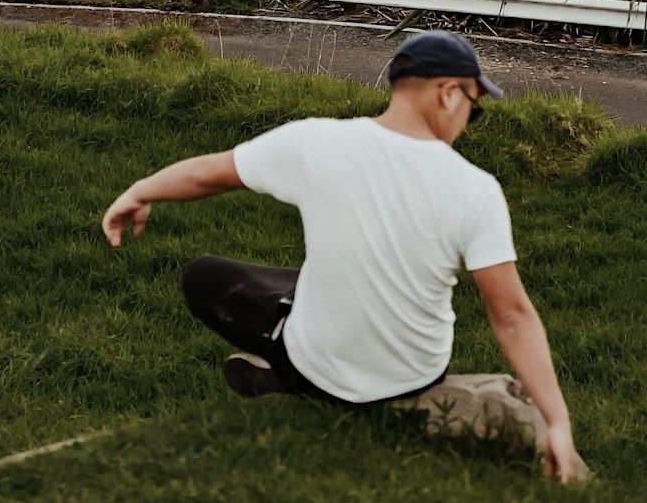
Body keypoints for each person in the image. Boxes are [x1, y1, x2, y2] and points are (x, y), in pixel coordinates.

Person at [102, 30, 589, 484]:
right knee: (314, 280)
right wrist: (558, 421)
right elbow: (511, 316)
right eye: (473, 107)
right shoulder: (475, 190)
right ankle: (307, 379)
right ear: (447, 92)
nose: (467, 121)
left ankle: (285, 378)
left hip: (315, 367)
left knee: (205, 276)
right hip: (414, 375)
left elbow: (214, 172)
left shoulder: (319, 142)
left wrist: (139, 192)